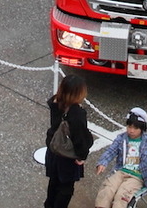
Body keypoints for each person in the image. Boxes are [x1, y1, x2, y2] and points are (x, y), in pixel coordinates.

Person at [92, 107, 147, 208]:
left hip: (138, 176)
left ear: (142, 128)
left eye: (135, 128)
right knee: (107, 189)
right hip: (121, 171)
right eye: (129, 127)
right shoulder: (121, 138)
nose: (131, 130)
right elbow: (111, 151)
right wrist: (103, 162)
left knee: (122, 195)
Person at [43, 73, 93, 208]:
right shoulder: (76, 113)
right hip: (67, 157)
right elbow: (80, 138)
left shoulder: (55, 103)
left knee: (54, 184)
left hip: (54, 150)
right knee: (66, 189)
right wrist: (82, 156)